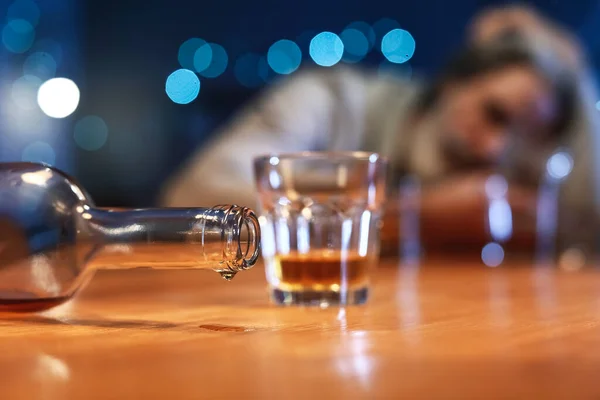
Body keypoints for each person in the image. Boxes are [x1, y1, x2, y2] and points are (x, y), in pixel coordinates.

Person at [160, 6, 599, 252]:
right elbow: (195, 197)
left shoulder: (510, 179)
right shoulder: (332, 101)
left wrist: (579, 78)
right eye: (494, 114)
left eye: (522, 139)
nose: (495, 149)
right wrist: (412, 218)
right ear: (454, 79)